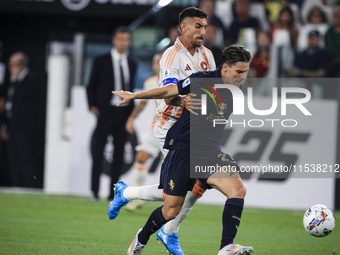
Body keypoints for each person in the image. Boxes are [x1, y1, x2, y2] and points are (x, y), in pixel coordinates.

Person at [113, 45, 254, 255]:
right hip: (183, 150)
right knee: (170, 211)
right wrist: (134, 96)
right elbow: (168, 92)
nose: (243, 76)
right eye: (239, 72)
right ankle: (141, 238)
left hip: (210, 153)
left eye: (245, 72)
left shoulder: (235, 89)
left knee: (238, 190)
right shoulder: (200, 80)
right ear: (224, 68)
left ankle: (226, 246)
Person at [109, 7, 216, 255]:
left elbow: (209, 90)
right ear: (184, 27)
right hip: (169, 127)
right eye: (198, 26)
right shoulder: (171, 56)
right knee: (178, 193)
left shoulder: (208, 55)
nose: (203, 30)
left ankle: (130, 195)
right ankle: (168, 231)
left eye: (205, 26)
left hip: (192, 128)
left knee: (195, 185)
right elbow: (169, 95)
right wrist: (181, 101)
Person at [86, 26, 138, 201]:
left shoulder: (132, 63)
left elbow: (129, 88)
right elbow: (91, 84)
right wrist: (92, 105)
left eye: (126, 39)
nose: (123, 42)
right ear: (114, 40)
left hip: (123, 113)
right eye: (120, 38)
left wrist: (131, 113)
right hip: (105, 112)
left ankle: (112, 193)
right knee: (98, 151)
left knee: (119, 155)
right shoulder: (101, 60)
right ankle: (94, 191)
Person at [124, 53, 163, 211]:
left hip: (174, 131)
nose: (157, 65)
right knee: (140, 157)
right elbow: (142, 104)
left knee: (174, 167)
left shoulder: (177, 82)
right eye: (155, 62)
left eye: (160, 62)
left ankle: (176, 202)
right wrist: (131, 118)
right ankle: (139, 198)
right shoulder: (150, 83)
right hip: (156, 128)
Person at [4, 52, 46, 188]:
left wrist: (16, 81)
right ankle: (16, 185)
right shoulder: (13, 81)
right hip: (13, 125)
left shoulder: (31, 79)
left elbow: (25, 103)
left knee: (25, 157)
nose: (10, 67)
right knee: (14, 158)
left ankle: (28, 186)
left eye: (13, 65)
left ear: (21, 65)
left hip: (25, 127)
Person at [325, 2, 340, 78]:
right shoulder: (330, 31)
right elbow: (329, 48)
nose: (336, 16)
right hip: (332, 62)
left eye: (338, 14)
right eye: (335, 14)